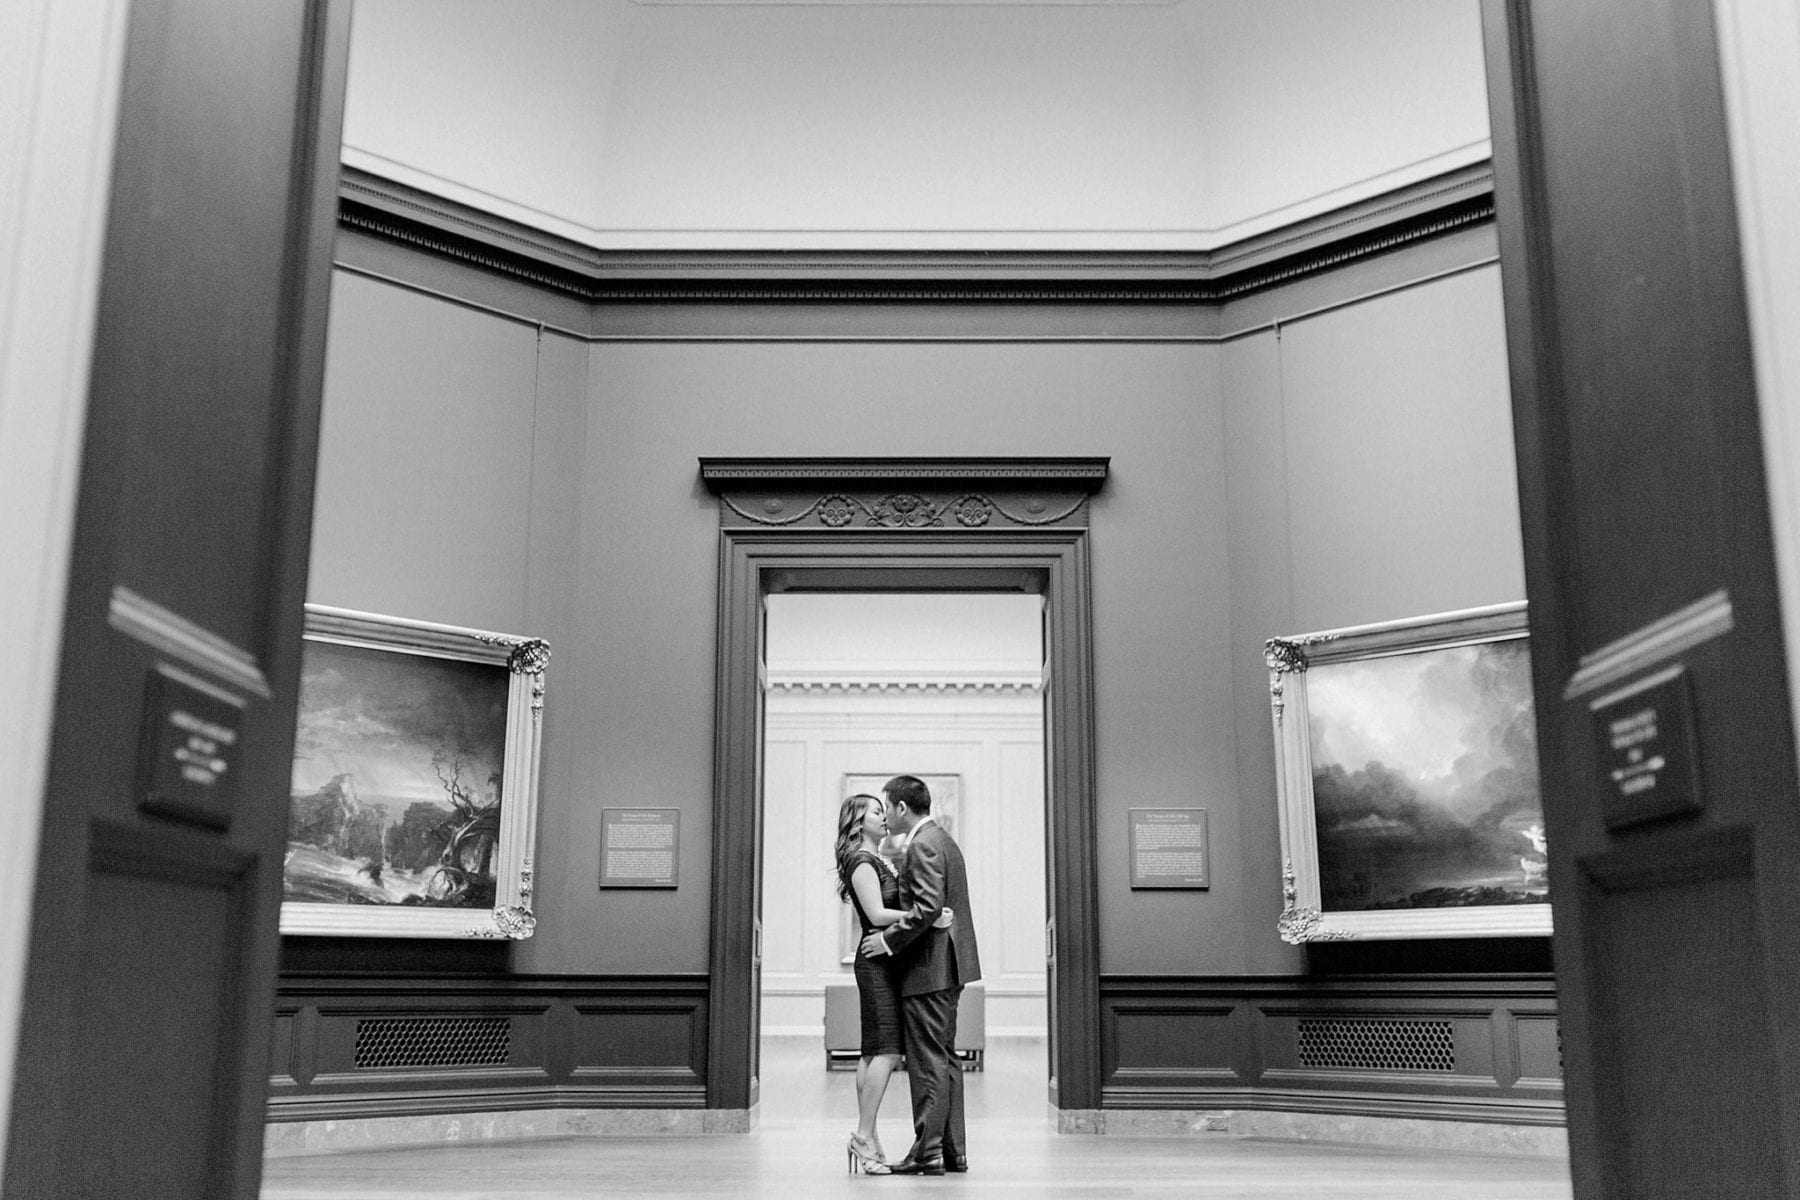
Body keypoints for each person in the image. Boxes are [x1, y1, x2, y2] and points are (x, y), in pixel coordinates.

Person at [860, 774, 982, 1177]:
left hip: (929, 969)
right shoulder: (942, 839)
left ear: (900, 808)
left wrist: (888, 942)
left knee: (928, 1062)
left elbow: (927, 906)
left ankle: (927, 1152)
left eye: (886, 807)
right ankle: (952, 1151)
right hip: (947, 967)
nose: (885, 816)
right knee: (945, 1060)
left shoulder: (922, 845)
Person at [834, 792, 951, 1175]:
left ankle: (869, 1137)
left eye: (885, 811)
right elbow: (876, 913)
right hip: (875, 965)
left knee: (872, 1052)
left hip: (884, 963)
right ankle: (863, 1137)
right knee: (887, 1052)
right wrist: (925, 916)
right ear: (857, 822)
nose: (884, 817)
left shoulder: (878, 858)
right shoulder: (861, 860)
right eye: (876, 812)